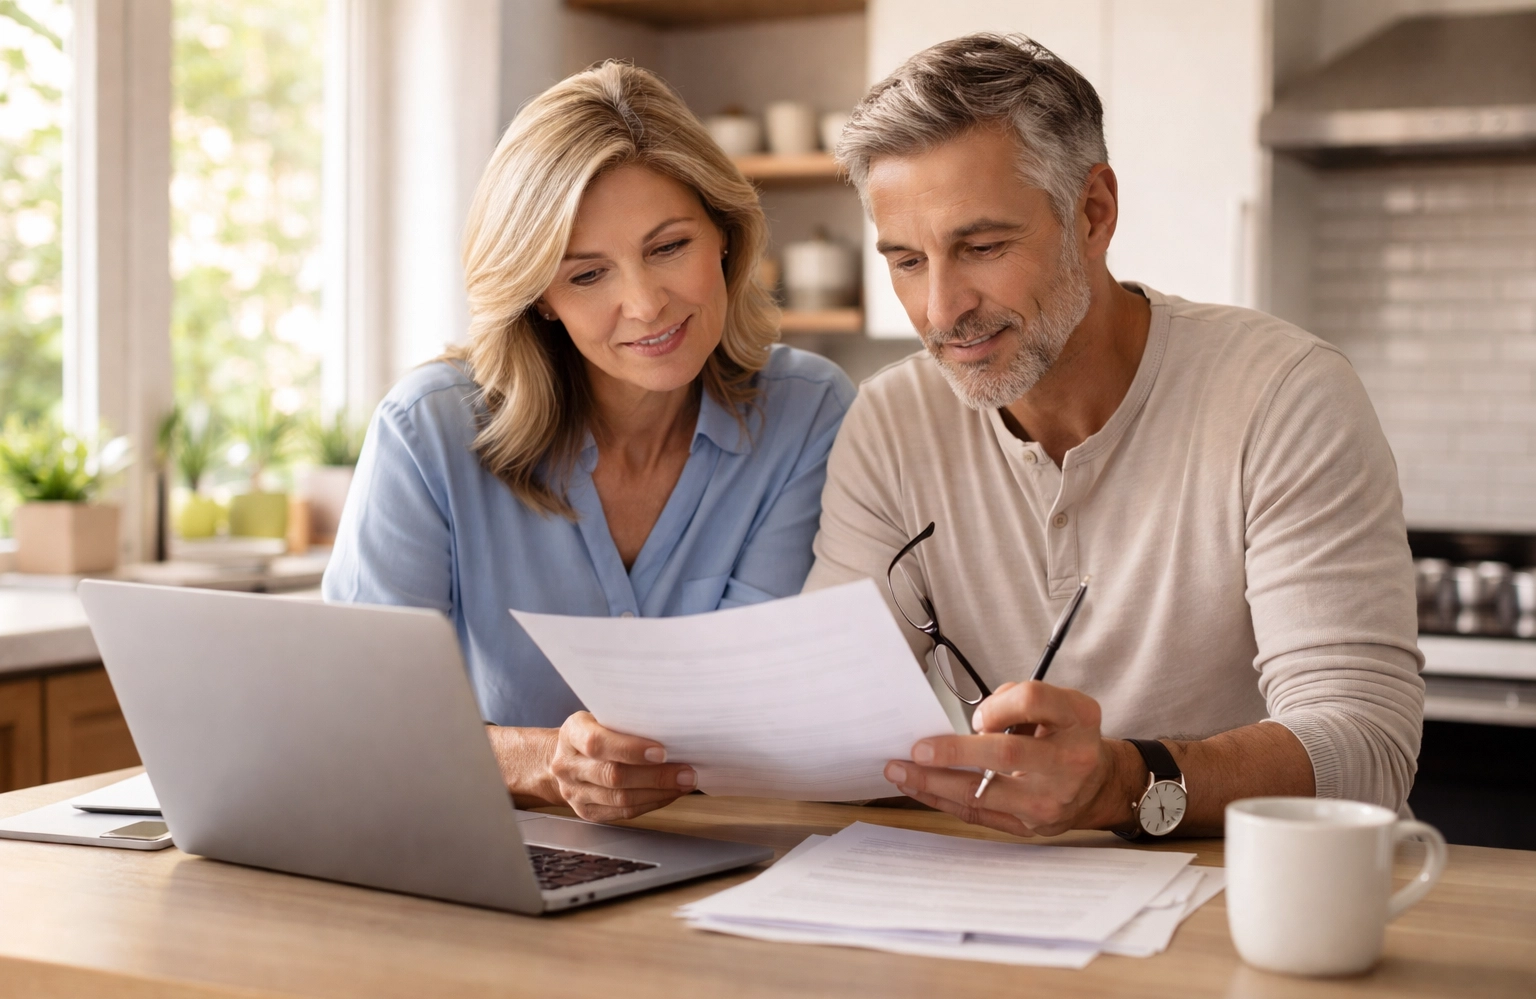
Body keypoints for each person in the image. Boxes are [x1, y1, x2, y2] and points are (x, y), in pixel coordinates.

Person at [808, 34, 1423, 839]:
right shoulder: (890, 422)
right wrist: (656, 752)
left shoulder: (1283, 393)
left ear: (1093, 212)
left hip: (1261, 898)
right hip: (1012, 904)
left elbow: (1367, 749)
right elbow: (818, 712)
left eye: (983, 247)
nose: (939, 310)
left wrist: (1125, 782)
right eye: (906, 261)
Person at [324, 62, 853, 823]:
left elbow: (753, 704)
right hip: (488, 865)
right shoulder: (427, 432)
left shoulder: (806, 415)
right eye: (588, 274)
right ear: (539, 296)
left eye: (669, 247)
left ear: (726, 238)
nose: (643, 304)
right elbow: (356, 721)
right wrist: (543, 763)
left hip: (729, 856)